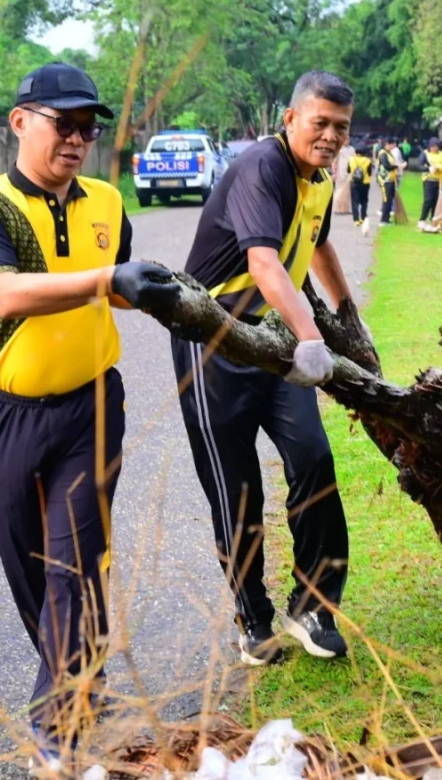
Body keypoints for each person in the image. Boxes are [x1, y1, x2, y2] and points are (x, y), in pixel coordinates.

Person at [0, 63, 178, 769]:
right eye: (63, 123)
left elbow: (122, 287)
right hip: (6, 411)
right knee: (27, 565)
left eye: (88, 127)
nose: (78, 138)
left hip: (90, 407)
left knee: (69, 566)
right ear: (21, 121)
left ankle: (62, 714)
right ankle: (77, 668)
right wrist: (108, 280)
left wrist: (170, 294)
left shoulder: (107, 200)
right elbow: (6, 295)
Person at [172, 70, 368, 667]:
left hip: (274, 338)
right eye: (321, 123)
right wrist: (312, 339)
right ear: (291, 119)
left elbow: (320, 245)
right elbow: (263, 261)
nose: (331, 136)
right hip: (213, 339)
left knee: (313, 458)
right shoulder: (264, 167)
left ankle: (312, 604)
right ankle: (252, 617)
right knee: (237, 492)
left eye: (342, 127)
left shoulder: (317, 180)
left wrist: (349, 322)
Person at [418, 137, 442, 223]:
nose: (435, 148)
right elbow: (420, 165)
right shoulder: (425, 154)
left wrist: (439, 167)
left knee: (436, 199)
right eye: (433, 146)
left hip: (439, 180)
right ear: (430, 146)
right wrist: (428, 168)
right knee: (428, 200)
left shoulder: (441, 154)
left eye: (437, 146)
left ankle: (434, 217)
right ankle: (422, 219)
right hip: (428, 179)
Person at [376, 135, 399, 226]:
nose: (393, 147)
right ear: (387, 144)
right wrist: (397, 166)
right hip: (384, 180)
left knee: (389, 200)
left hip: (391, 179)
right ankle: (383, 220)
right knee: (386, 199)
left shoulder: (389, 153)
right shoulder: (382, 153)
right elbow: (387, 166)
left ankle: (387, 219)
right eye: (392, 145)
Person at [347, 147, 373, 225]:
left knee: (355, 201)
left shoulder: (351, 159)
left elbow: (348, 170)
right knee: (364, 201)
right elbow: (370, 173)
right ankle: (363, 218)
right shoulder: (368, 161)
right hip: (365, 183)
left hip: (354, 182)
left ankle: (356, 220)